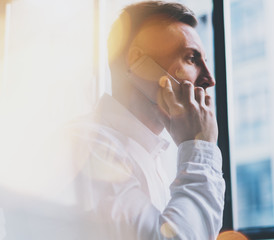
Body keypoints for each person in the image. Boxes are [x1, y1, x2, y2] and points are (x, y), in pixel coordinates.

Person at [63, 1, 225, 239]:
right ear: (139, 63)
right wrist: (201, 150)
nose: (209, 80)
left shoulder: (152, 157)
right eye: (191, 58)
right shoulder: (88, 146)